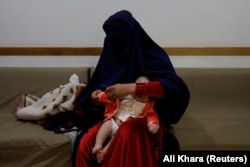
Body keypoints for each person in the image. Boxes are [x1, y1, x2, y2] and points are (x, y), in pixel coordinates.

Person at [73, 10, 190, 167]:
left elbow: (176, 90)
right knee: (84, 145)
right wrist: (95, 98)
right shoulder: (111, 55)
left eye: (122, 39)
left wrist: (133, 88)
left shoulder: (152, 55)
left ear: (133, 35)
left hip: (143, 118)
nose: (118, 45)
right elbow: (94, 91)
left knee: (129, 130)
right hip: (112, 118)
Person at [92, 76, 160, 163]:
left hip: (122, 129)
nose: (142, 94)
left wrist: (152, 125)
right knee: (107, 124)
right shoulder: (125, 96)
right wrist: (100, 96)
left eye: (145, 91)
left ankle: (103, 153)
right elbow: (110, 97)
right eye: (139, 89)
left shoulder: (148, 106)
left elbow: (152, 117)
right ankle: (98, 144)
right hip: (114, 122)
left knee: (116, 138)